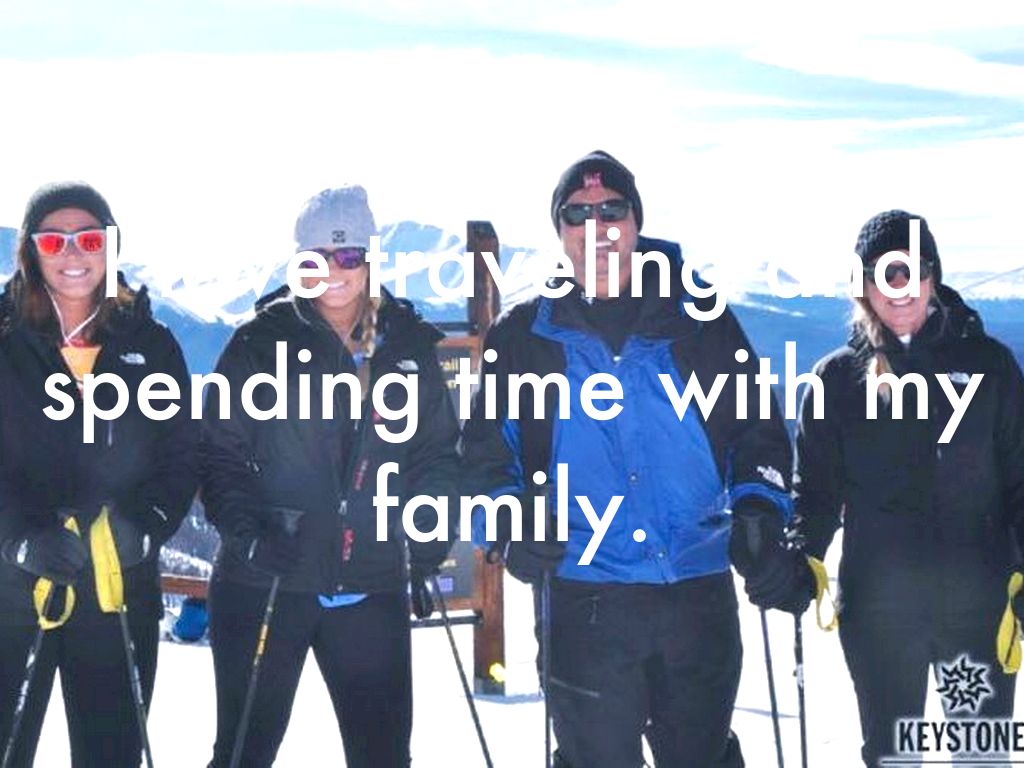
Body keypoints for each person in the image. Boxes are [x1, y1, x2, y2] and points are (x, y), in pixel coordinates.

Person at [462, 150, 796, 768]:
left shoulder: (699, 320)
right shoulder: (523, 336)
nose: (597, 227)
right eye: (577, 213)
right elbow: (482, 463)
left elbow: (758, 433)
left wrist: (759, 511)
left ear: (636, 221)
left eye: (612, 210)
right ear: (560, 230)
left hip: (695, 588)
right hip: (583, 598)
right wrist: (511, 526)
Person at [201, 185, 459, 768]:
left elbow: (437, 456)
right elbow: (218, 453)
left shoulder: (407, 346)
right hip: (267, 577)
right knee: (243, 754)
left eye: (349, 255)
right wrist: (250, 534)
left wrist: (428, 533)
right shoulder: (259, 342)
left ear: (371, 258)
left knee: (382, 757)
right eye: (318, 256)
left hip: (371, 581)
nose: (335, 271)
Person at [771, 210, 1024, 766]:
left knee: (981, 757)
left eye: (914, 270)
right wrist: (800, 559)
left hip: (978, 610)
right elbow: (816, 496)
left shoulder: (990, 368)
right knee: (892, 757)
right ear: (863, 284)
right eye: (886, 273)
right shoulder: (837, 380)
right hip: (879, 616)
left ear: (934, 276)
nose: (901, 287)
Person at [0, 181, 198, 766]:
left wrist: (146, 527)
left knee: (111, 754)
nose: (72, 253)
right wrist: (16, 537)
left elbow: (181, 452)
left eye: (89, 239)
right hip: (11, 586)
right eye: (53, 240)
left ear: (110, 248)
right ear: (31, 251)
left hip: (116, 583)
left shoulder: (150, 345)